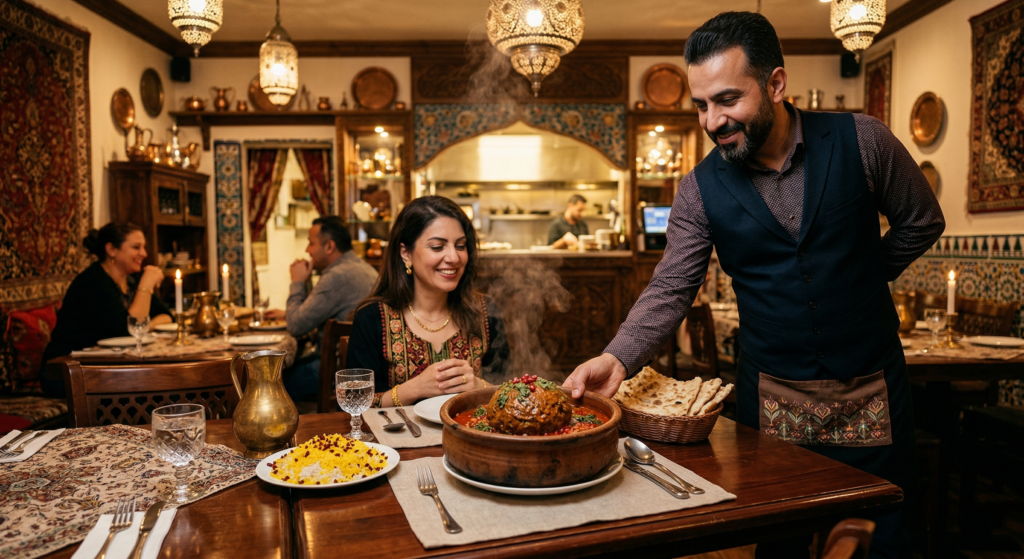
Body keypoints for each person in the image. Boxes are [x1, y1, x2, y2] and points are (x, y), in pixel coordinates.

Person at [563, 12, 944, 559]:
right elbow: (671, 288)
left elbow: (922, 221)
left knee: (882, 535)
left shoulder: (863, 139)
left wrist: (866, 274)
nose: (713, 121)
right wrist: (617, 358)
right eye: (701, 105)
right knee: (780, 535)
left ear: (776, 84)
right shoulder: (697, 189)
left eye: (727, 99)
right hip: (773, 396)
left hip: (872, 390)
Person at [347, 196, 508, 408]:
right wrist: (414, 389)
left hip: (470, 438)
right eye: (437, 247)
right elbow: (353, 405)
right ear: (406, 254)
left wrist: (478, 385)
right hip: (392, 441)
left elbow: (510, 393)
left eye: (460, 246)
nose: (453, 257)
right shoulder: (372, 318)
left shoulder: (486, 312)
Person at [41, 222, 173, 396]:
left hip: (102, 368)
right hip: (67, 372)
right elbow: (128, 330)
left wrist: (143, 327)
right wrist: (147, 285)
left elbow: (168, 316)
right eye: (136, 247)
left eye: (143, 247)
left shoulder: (131, 280)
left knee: (163, 384)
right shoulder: (93, 282)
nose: (144, 253)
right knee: (152, 390)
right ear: (111, 249)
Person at [264, 215, 378, 401]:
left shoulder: (337, 276)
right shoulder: (362, 268)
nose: (307, 250)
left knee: (264, 384)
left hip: (336, 372)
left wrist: (298, 281)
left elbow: (296, 325)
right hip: (362, 370)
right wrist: (288, 313)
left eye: (311, 243)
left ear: (330, 246)